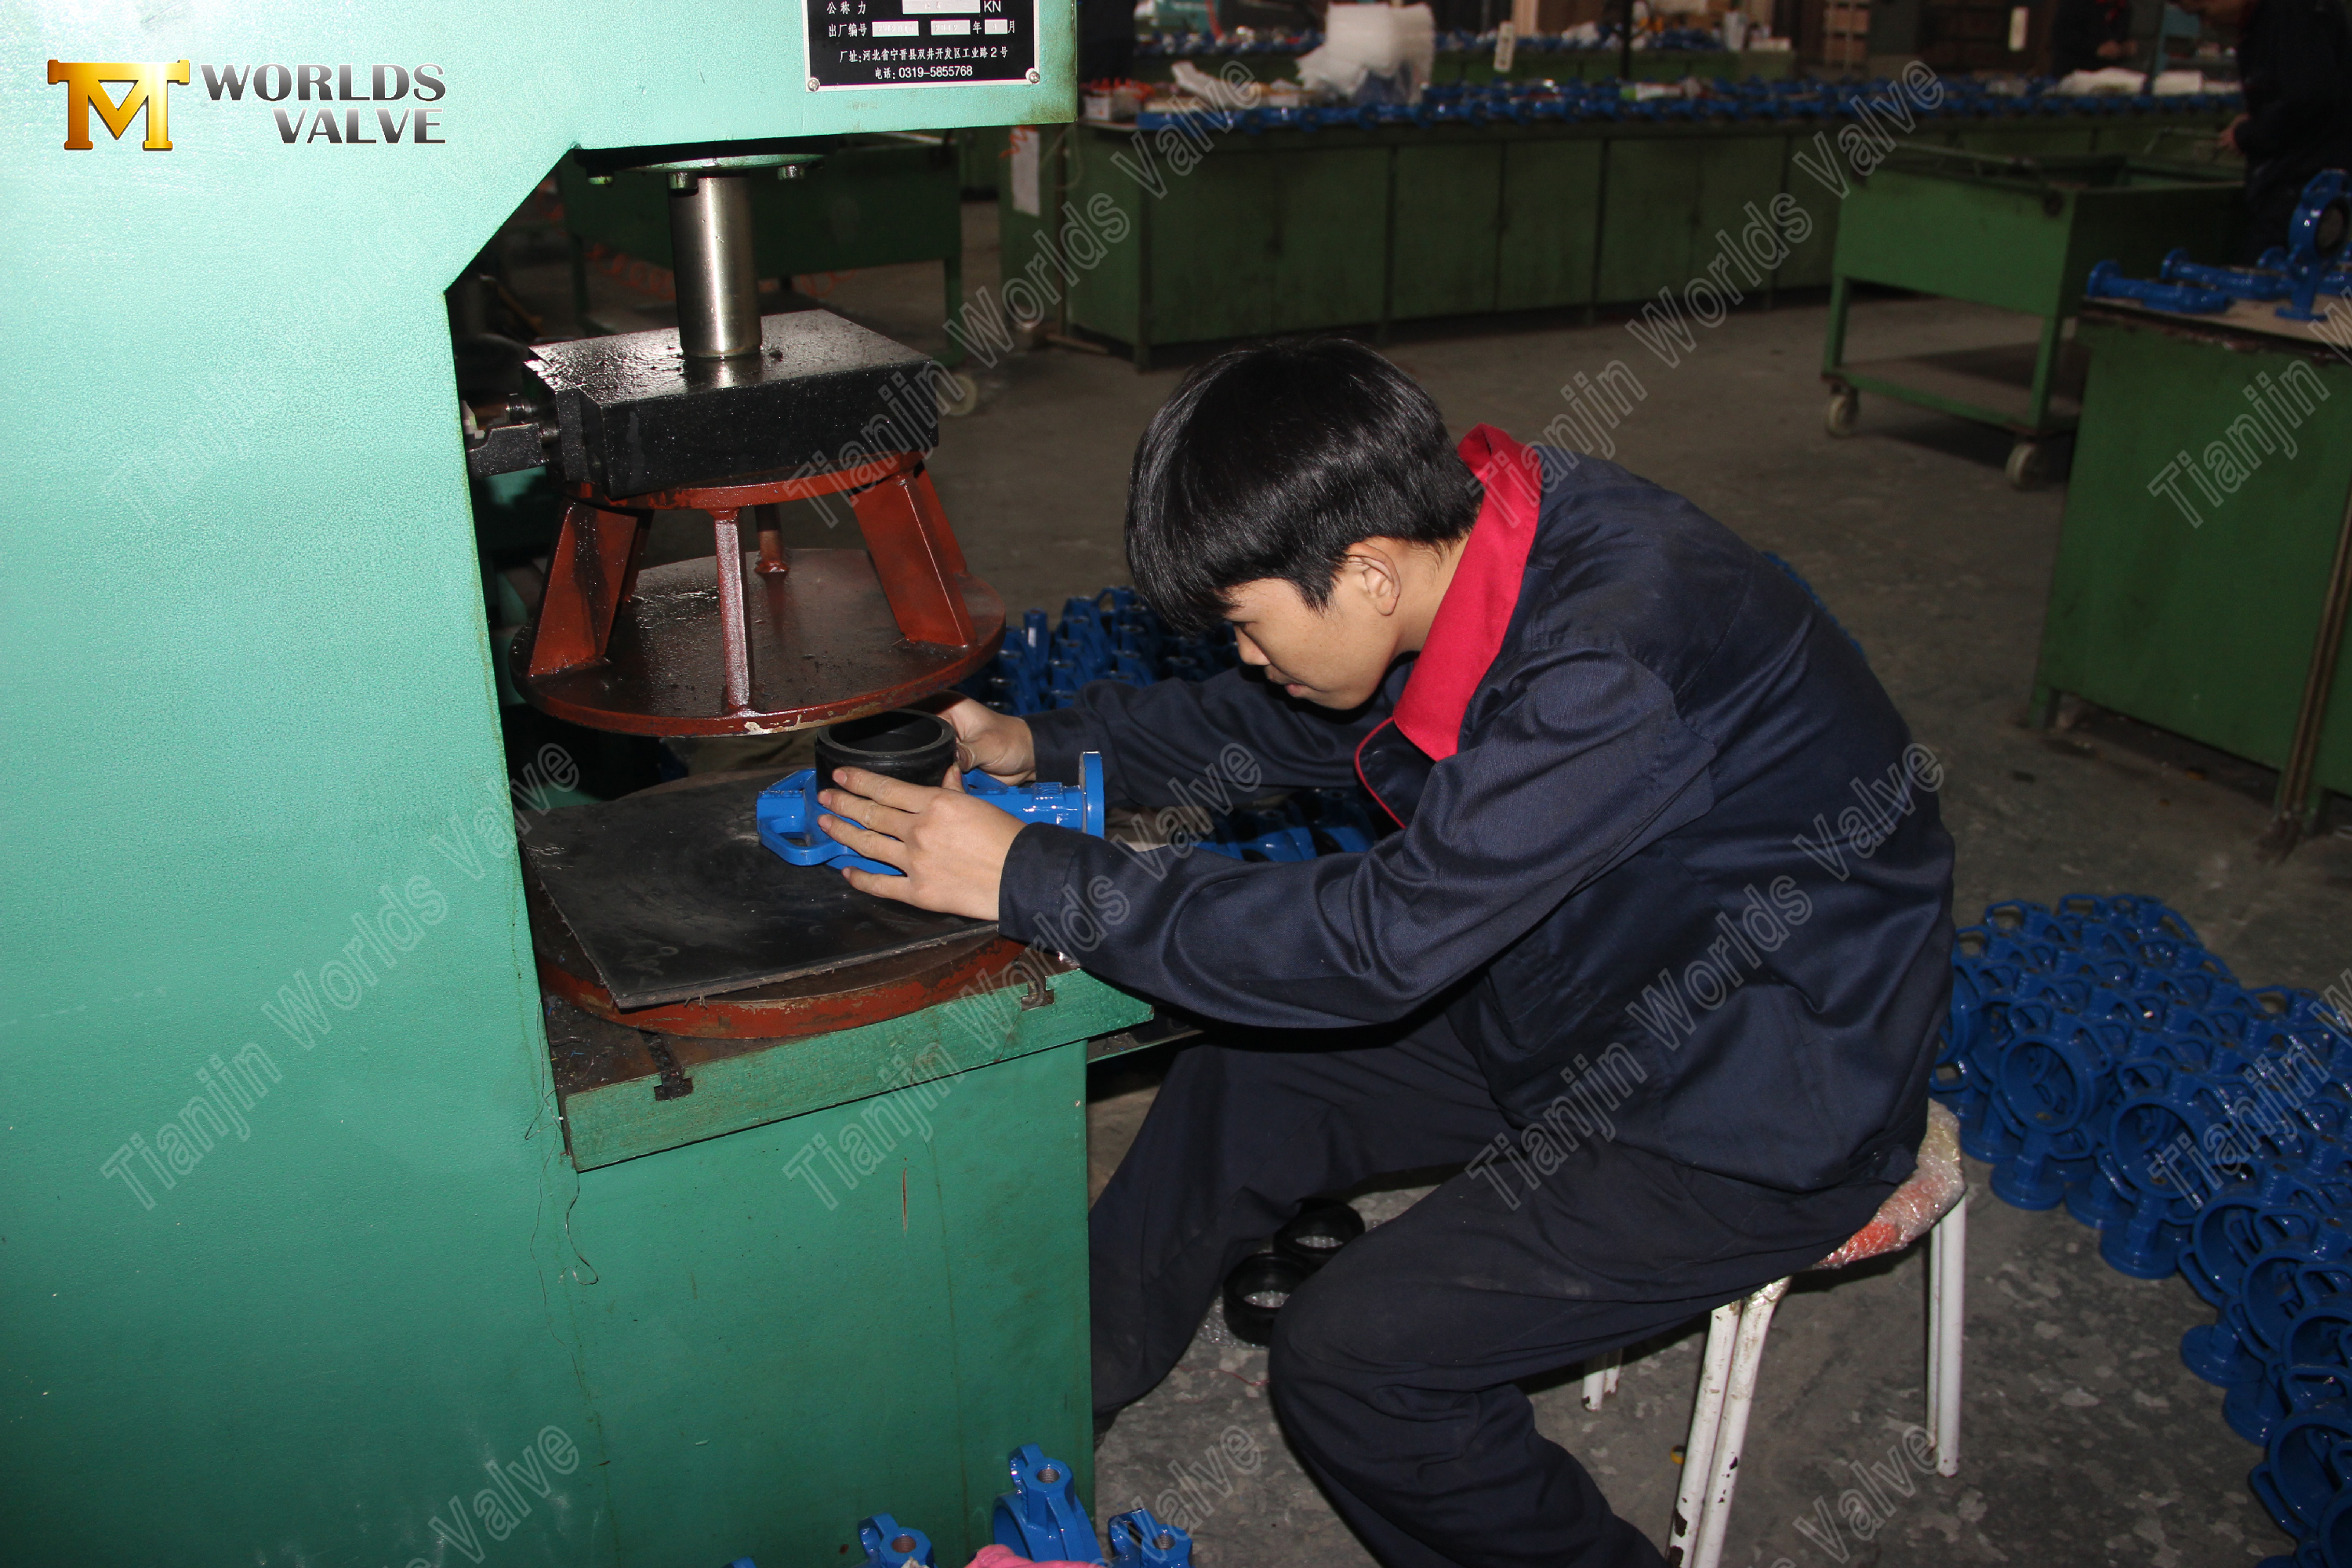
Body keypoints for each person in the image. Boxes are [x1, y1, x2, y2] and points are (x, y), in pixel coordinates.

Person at [817, 339, 1953, 1568]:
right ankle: (1042, 1405)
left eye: (1248, 624)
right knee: (1249, 1075)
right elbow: (1296, 724)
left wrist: (1025, 876)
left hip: (1758, 1097)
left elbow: (1377, 944)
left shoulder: (1609, 661)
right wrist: (1041, 740)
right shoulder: (1474, 541)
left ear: (1364, 570)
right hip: (1605, 982)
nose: (1247, 655)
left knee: (1359, 1362)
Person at [2180, 0, 2352, 257]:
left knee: (2272, 278)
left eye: (2203, 12)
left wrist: (2249, 134)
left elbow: (2306, 98)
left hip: (2304, 189)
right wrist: (2257, 116)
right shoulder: (2276, 16)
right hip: (2303, 179)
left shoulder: (2292, 12)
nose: (2207, 23)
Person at [2050, 0, 2135, 76]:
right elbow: (2062, 34)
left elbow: (2118, 38)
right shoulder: (2077, 4)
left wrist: (2123, 49)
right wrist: (2096, 48)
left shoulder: (2124, 7)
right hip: (2073, 72)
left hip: (2107, 74)